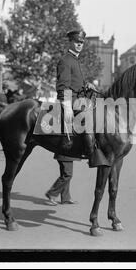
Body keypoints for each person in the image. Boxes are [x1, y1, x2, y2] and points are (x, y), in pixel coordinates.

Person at [55, 29, 109, 168]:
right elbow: (63, 85)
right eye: (77, 42)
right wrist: (67, 106)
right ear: (71, 42)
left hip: (80, 97)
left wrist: (87, 85)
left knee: (99, 109)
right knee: (88, 116)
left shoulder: (75, 60)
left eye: (81, 42)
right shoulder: (65, 60)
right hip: (71, 99)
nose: (79, 45)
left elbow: (75, 82)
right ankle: (91, 153)